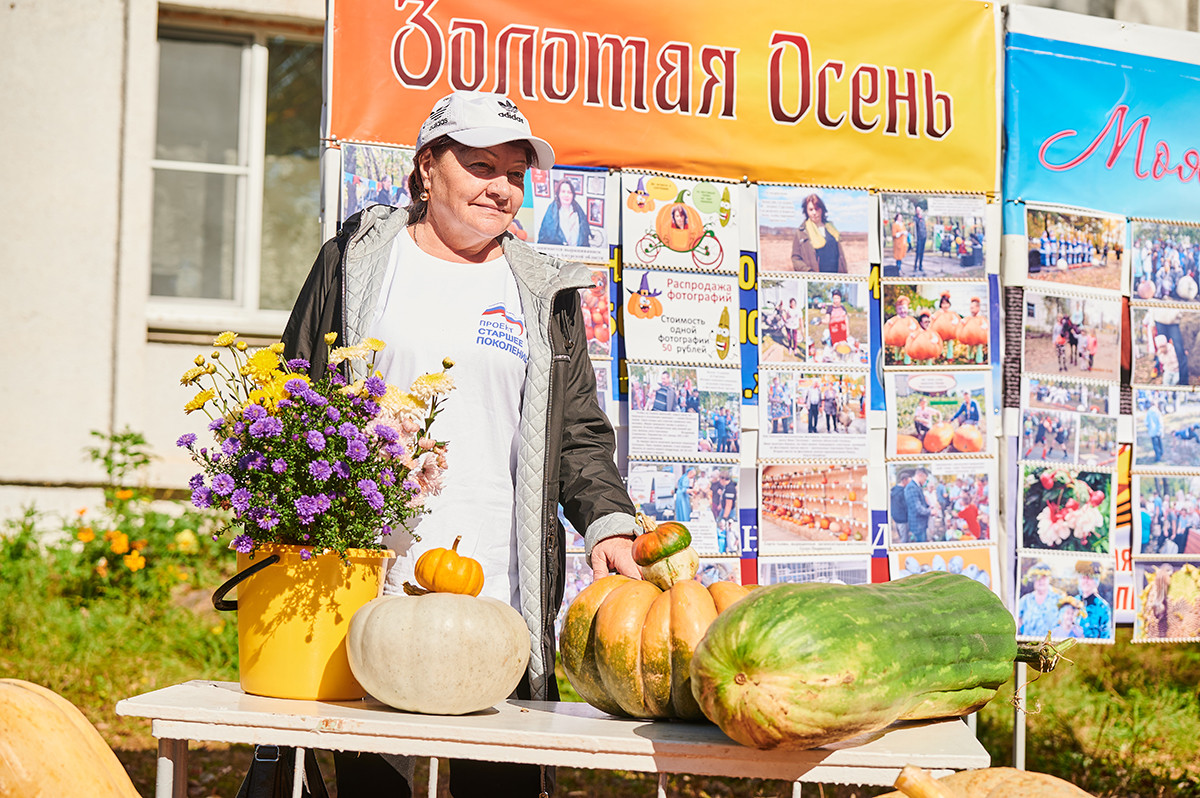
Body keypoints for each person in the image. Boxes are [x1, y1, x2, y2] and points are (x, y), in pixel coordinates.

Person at [281, 90, 641, 798]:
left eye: (515, 174)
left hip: (499, 597)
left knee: (500, 789)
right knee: (371, 789)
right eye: (480, 166)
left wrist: (608, 520)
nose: (500, 189)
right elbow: (298, 395)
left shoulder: (542, 289)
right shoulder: (354, 263)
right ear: (426, 170)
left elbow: (577, 433)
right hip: (373, 586)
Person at [790, 192, 848, 273]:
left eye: (816, 209)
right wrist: (809, 273)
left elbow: (839, 256)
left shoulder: (831, 228)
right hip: (815, 277)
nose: (814, 213)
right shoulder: (801, 232)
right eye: (811, 209)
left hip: (835, 275)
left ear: (822, 209)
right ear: (806, 211)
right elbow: (795, 258)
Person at [537, 178, 590, 247]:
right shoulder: (551, 212)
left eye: (569, 192)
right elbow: (543, 237)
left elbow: (585, 239)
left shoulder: (579, 213)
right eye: (563, 191)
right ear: (558, 194)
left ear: (573, 195)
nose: (566, 195)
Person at [1017, 563, 1061, 638]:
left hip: (1051, 644)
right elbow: (1016, 616)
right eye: (1037, 578)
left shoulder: (1058, 599)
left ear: (1049, 579)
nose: (1040, 581)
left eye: (1044, 577)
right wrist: (1023, 630)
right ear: (1033, 580)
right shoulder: (1025, 600)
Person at [1075, 561, 1112, 640]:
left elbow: (1105, 637)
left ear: (1097, 581)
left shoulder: (1103, 607)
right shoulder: (1073, 602)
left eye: (1090, 578)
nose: (1086, 581)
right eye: (1083, 577)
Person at [904, 469, 931, 543]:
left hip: (920, 524)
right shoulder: (912, 487)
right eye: (925, 479)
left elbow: (919, 503)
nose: (925, 482)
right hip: (918, 525)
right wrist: (931, 512)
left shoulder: (916, 486)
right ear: (920, 475)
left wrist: (927, 506)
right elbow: (917, 508)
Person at [890, 471, 911, 543]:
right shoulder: (902, 492)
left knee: (901, 536)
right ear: (904, 480)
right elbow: (906, 506)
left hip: (896, 518)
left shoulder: (893, 490)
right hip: (903, 519)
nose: (909, 483)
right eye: (909, 481)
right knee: (904, 539)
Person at [912, 205, 927, 272]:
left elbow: (924, 228)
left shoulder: (923, 218)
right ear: (916, 211)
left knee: (922, 253)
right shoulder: (915, 218)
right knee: (918, 253)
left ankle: (920, 266)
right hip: (918, 239)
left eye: (919, 210)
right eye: (917, 210)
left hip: (923, 237)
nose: (918, 211)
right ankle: (915, 266)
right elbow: (915, 230)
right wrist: (915, 239)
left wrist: (926, 235)